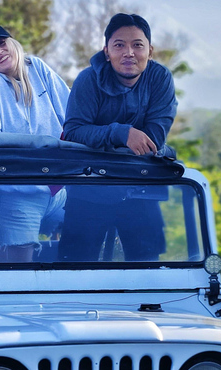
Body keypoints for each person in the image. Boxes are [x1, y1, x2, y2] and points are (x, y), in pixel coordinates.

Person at [58, 13, 177, 262]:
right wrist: (121, 133)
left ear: (150, 51)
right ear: (106, 52)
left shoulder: (160, 78)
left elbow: (152, 140)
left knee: (147, 271)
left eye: (137, 45)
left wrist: (106, 142)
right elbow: (73, 131)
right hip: (89, 186)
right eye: (119, 45)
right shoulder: (88, 80)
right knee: (75, 271)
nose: (129, 52)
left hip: (142, 186)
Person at [0, 24, 70, 263]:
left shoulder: (37, 67)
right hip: (15, 193)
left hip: (60, 190)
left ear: (12, 43)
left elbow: (72, 113)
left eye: (2, 43)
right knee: (18, 277)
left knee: (81, 256)